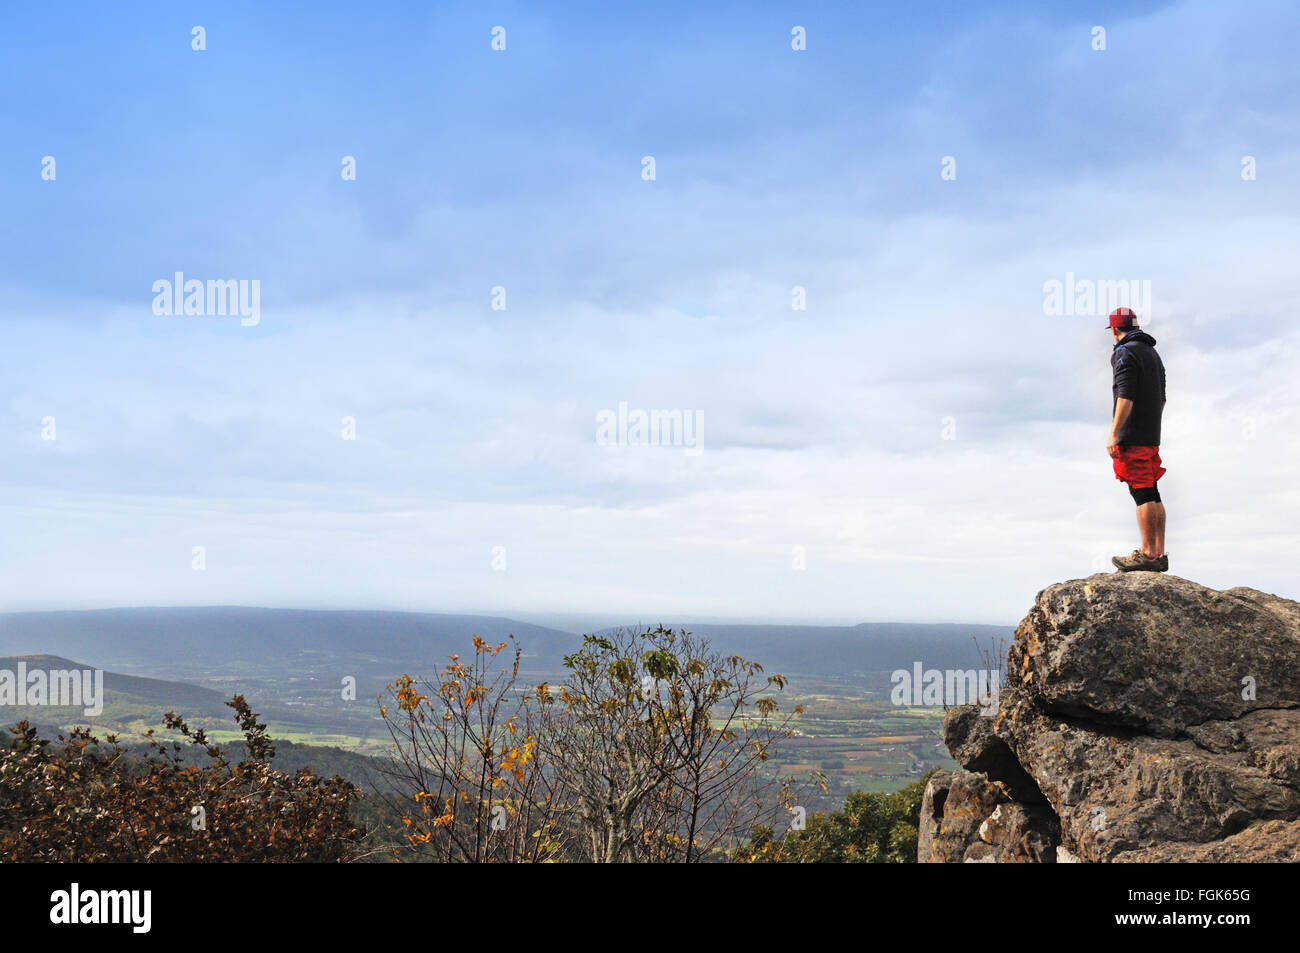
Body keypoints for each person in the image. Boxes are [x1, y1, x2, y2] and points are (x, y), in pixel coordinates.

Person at [1106, 307, 1168, 572]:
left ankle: (1147, 553)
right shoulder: (1153, 354)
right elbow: (1163, 399)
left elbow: (1126, 395)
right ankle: (1158, 553)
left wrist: (1116, 431)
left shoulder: (1123, 352)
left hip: (1133, 436)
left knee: (1141, 492)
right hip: (1152, 434)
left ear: (1116, 330)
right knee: (1152, 491)